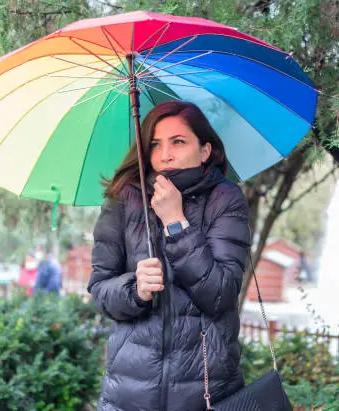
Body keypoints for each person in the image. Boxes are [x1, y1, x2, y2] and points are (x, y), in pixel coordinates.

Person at [87, 101, 251, 411]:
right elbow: (99, 289)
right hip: (129, 394)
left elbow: (220, 295)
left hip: (207, 394)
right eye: (155, 145)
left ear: (205, 150)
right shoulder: (123, 198)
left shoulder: (226, 199)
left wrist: (175, 223)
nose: (165, 155)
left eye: (178, 141)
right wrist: (134, 289)